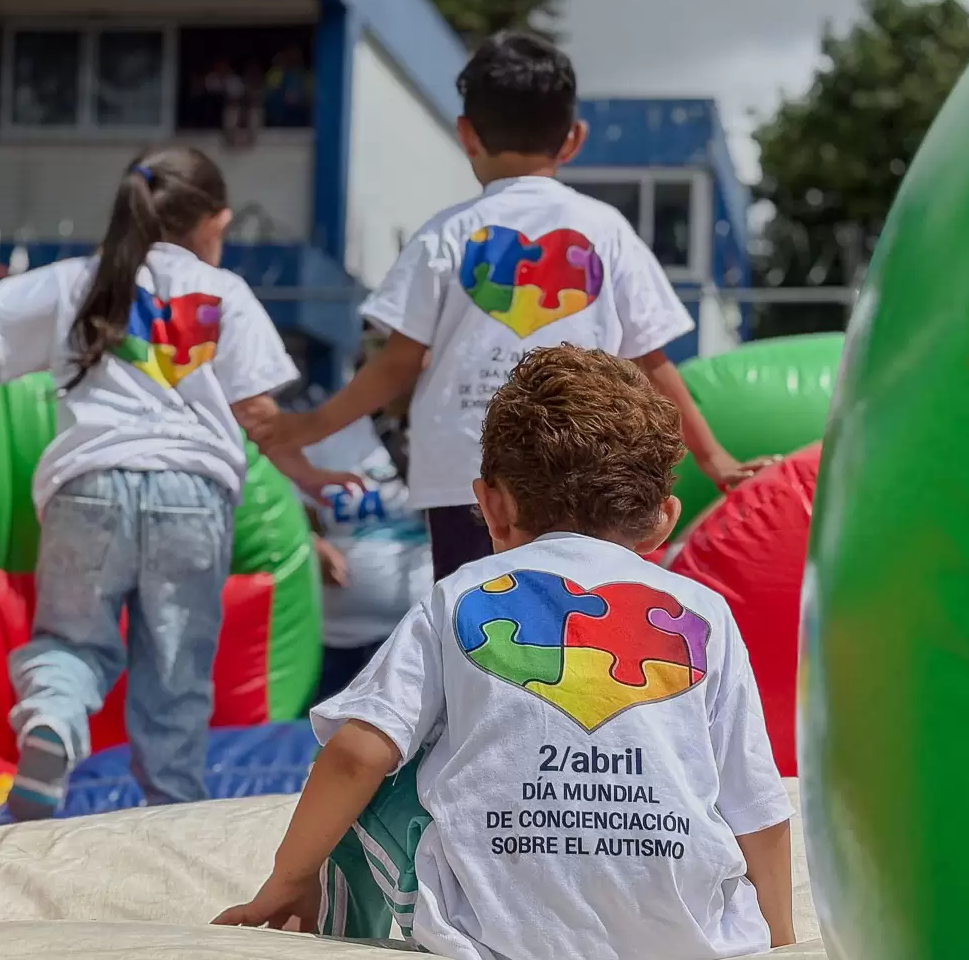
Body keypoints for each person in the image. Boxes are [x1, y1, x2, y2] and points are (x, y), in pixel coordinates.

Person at [216, 345, 795, 960]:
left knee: (393, 753)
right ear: (664, 521)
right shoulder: (701, 612)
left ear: (491, 504)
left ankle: (334, 935)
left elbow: (359, 753)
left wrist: (288, 878)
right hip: (689, 941)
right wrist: (783, 945)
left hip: (496, 945)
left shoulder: (464, 595)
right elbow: (755, 802)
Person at [0, 148, 354, 820]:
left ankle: (52, 721)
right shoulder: (223, 294)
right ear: (214, 221)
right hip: (191, 497)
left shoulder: (84, 279)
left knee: (71, 641)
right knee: (175, 668)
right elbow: (259, 418)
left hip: (89, 485)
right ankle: (173, 808)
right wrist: (313, 477)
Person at [244, 32, 773, 581]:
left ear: (467, 134)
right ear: (574, 139)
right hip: (587, 468)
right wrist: (716, 462)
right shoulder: (607, 232)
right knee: (584, 624)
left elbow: (397, 364)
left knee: (475, 629)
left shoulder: (444, 236)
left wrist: (307, 427)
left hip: (467, 474)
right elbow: (652, 361)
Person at [303, 413, 433, 707]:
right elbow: (294, 519)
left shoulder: (437, 430)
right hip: (336, 641)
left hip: (414, 639)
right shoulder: (323, 433)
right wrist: (313, 546)